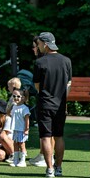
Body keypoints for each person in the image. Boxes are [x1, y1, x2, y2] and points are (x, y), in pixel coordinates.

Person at [33, 32, 72, 178]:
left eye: (39, 44)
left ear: (45, 44)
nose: (38, 46)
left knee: (45, 137)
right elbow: (69, 84)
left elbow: (37, 86)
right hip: (60, 104)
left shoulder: (40, 62)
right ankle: (59, 168)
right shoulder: (66, 61)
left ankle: (49, 169)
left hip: (45, 103)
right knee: (59, 136)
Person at [29, 35, 55, 167]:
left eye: (35, 46)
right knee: (49, 131)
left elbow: (37, 85)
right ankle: (43, 154)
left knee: (47, 131)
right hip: (54, 99)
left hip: (46, 99)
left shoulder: (42, 61)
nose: (34, 49)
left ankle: (47, 157)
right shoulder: (43, 60)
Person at [9, 89, 30, 167]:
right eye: (14, 96)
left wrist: (26, 129)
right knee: (15, 144)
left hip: (22, 129)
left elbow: (27, 119)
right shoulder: (14, 106)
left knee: (22, 144)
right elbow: (8, 113)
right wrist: (11, 104)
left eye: (18, 96)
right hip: (15, 129)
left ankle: (23, 160)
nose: (16, 98)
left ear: (23, 98)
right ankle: (16, 160)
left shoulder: (24, 108)